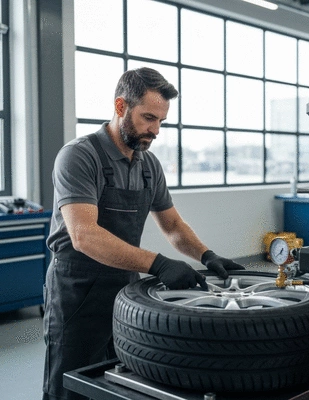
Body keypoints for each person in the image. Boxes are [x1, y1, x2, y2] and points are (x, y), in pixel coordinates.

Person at [42, 67, 244, 400]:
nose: (156, 130)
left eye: (162, 121)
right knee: (70, 388)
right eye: (149, 117)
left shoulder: (148, 165)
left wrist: (207, 255)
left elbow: (174, 226)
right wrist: (159, 264)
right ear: (121, 107)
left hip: (126, 294)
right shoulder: (79, 156)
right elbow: (84, 235)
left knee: (117, 383)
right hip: (76, 295)